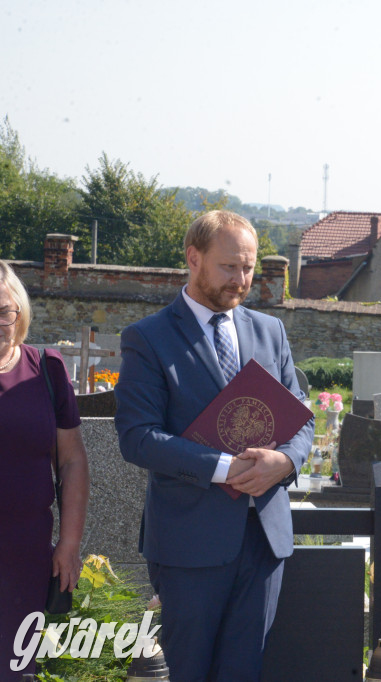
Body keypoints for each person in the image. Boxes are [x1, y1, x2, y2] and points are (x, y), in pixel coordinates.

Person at [115, 210, 313, 680]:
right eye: (229, 267)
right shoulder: (148, 338)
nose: (241, 280)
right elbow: (138, 437)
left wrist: (284, 461)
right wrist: (227, 468)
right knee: (185, 670)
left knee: (244, 671)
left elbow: (301, 422)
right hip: (190, 542)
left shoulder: (271, 331)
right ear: (193, 258)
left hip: (264, 538)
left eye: (248, 268)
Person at [0, 261, 89, 682]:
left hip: (25, 555)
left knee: (16, 669)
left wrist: (68, 545)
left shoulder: (46, 369)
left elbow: (71, 461)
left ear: (20, 312)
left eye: (4, 311)